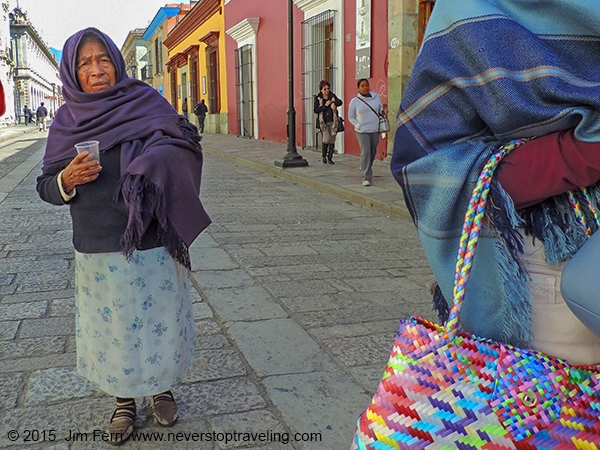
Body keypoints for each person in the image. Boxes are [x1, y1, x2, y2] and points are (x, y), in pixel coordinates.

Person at [390, 0, 600, 364]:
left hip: (557, 274)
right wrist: (577, 153)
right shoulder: (471, 10)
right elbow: (428, 161)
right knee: (552, 409)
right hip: (552, 264)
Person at [36, 27, 211, 445]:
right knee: (112, 328)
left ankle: (162, 388)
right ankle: (123, 401)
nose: (96, 70)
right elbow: (45, 186)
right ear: (73, 72)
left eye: (103, 59)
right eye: (84, 62)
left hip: (152, 239)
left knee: (159, 320)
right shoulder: (66, 122)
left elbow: (186, 143)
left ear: (116, 61)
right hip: (99, 247)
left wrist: (156, 161)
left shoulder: (147, 102)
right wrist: (66, 179)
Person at [348, 79, 386, 186]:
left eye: (367, 85)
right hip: (362, 131)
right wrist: (357, 124)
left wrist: (383, 109)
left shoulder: (376, 97)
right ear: (358, 88)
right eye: (362, 86)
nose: (365, 87)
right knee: (366, 152)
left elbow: (380, 112)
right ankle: (366, 177)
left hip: (375, 129)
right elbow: (350, 116)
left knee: (373, 152)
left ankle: (365, 166)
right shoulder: (355, 101)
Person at [313, 80, 342, 165]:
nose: (326, 91)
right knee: (326, 138)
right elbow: (316, 110)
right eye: (324, 89)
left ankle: (330, 157)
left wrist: (334, 103)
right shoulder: (318, 98)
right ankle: (323, 156)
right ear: (321, 90)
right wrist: (324, 106)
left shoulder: (332, 96)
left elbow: (340, 102)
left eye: (328, 88)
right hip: (323, 122)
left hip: (333, 121)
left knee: (332, 139)